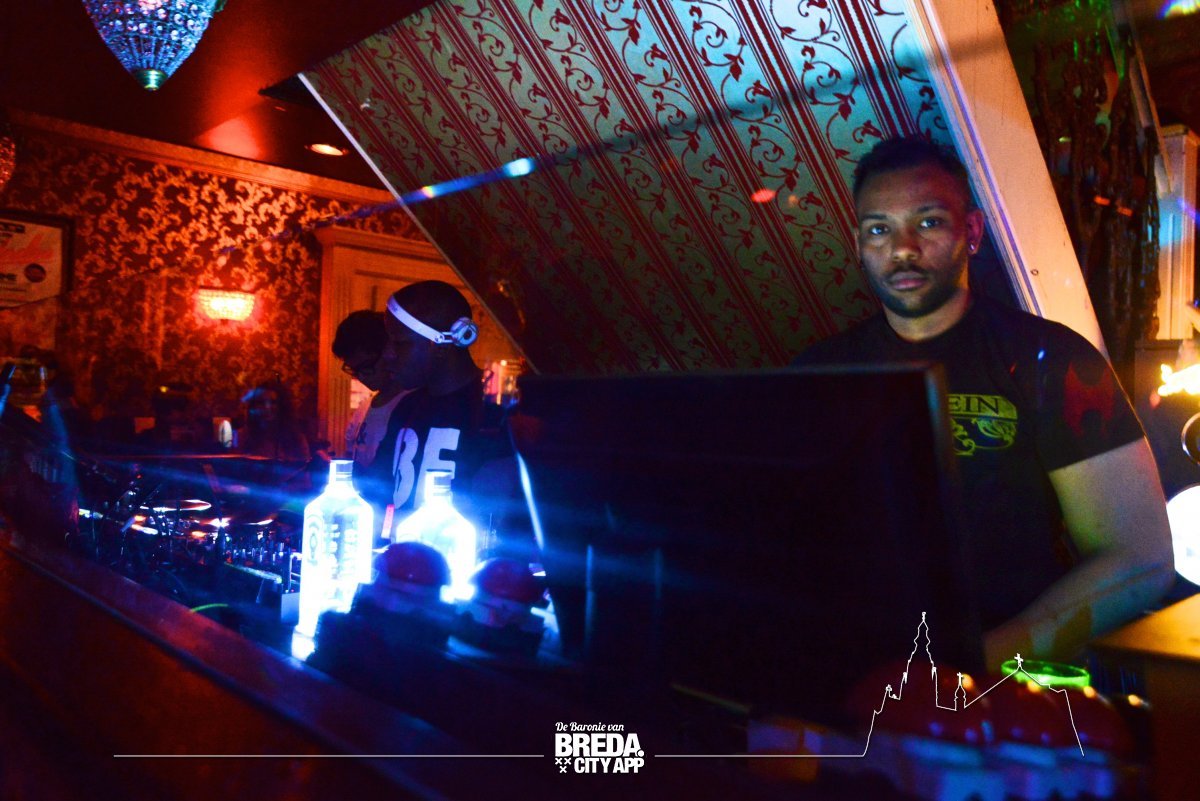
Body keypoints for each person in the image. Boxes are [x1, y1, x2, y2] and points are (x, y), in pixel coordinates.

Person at [794, 135, 1174, 668]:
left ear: (971, 232)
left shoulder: (1052, 360)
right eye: (879, 229)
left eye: (928, 222)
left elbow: (1140, 558)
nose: (903, 249)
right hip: (862, 676)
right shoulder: (818, 373)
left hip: (1012, 679)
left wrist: (974, 667)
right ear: (859, 243)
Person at [356, 280, 521, 547]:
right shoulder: (406, 407)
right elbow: (379, 490)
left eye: (399, 343)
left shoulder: (495, 411)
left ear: (442, 344)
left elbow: (498, 520)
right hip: (401, 560)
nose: (388, 355)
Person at [332, 310, 412, 470]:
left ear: (388, 352)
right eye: (354, 370)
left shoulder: (412, 405)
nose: (361, 376)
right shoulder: (364, 408)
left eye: (366, 366)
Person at [235, 380, 310, 462]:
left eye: (273, 402)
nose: (267, 407)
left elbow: (304, 468)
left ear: (282, 406)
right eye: (262, 402)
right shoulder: (242, 437)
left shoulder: (297, 440)